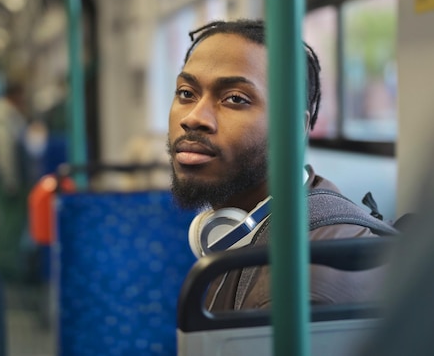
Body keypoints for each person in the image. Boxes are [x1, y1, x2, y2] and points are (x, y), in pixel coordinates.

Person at [167, 19, 395, 311]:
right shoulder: (256, 230)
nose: (193, 118)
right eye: (186, 93)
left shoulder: (306, 282)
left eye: (235, 98)